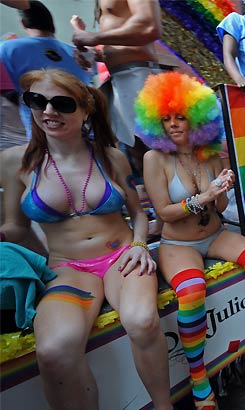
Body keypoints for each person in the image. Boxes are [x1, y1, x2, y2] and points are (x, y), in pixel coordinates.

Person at [0, 69, 172, 409]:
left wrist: (139, 245)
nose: (48, 112)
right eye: (37, 101)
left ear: (85, 110)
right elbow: (14, 227)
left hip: (121, 255)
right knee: (53, 351)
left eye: (62, 104)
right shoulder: (14, 162)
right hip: (67, 269)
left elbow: (139, 214)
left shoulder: (110, 156)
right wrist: (45, 262)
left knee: (142, 321)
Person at [138, 72, 245, 410]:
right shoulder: (154, 159)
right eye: (165, 119)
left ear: (196, 119)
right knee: (192, 293)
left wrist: (222, 187)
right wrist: (205, 195)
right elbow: (164, 213)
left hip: (215, 233)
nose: (173, 125)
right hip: (177, 246)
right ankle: (199, 378)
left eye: (180, 116)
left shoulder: (210, 154)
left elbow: (221, 207)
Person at [71, 0, 168, 175]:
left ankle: (182, 201)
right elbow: (126, 46)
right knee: (139, 157)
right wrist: (95, 54)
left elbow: (150, 26)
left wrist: (94, 37)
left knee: (159, 154)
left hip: (138, 76)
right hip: (121, 77)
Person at [0, 0, 92, 138]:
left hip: (38, 135)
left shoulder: (7, 49)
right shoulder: (77, 54)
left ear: (23, 23)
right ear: (52, 24)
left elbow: (7, 93)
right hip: (83, 132)